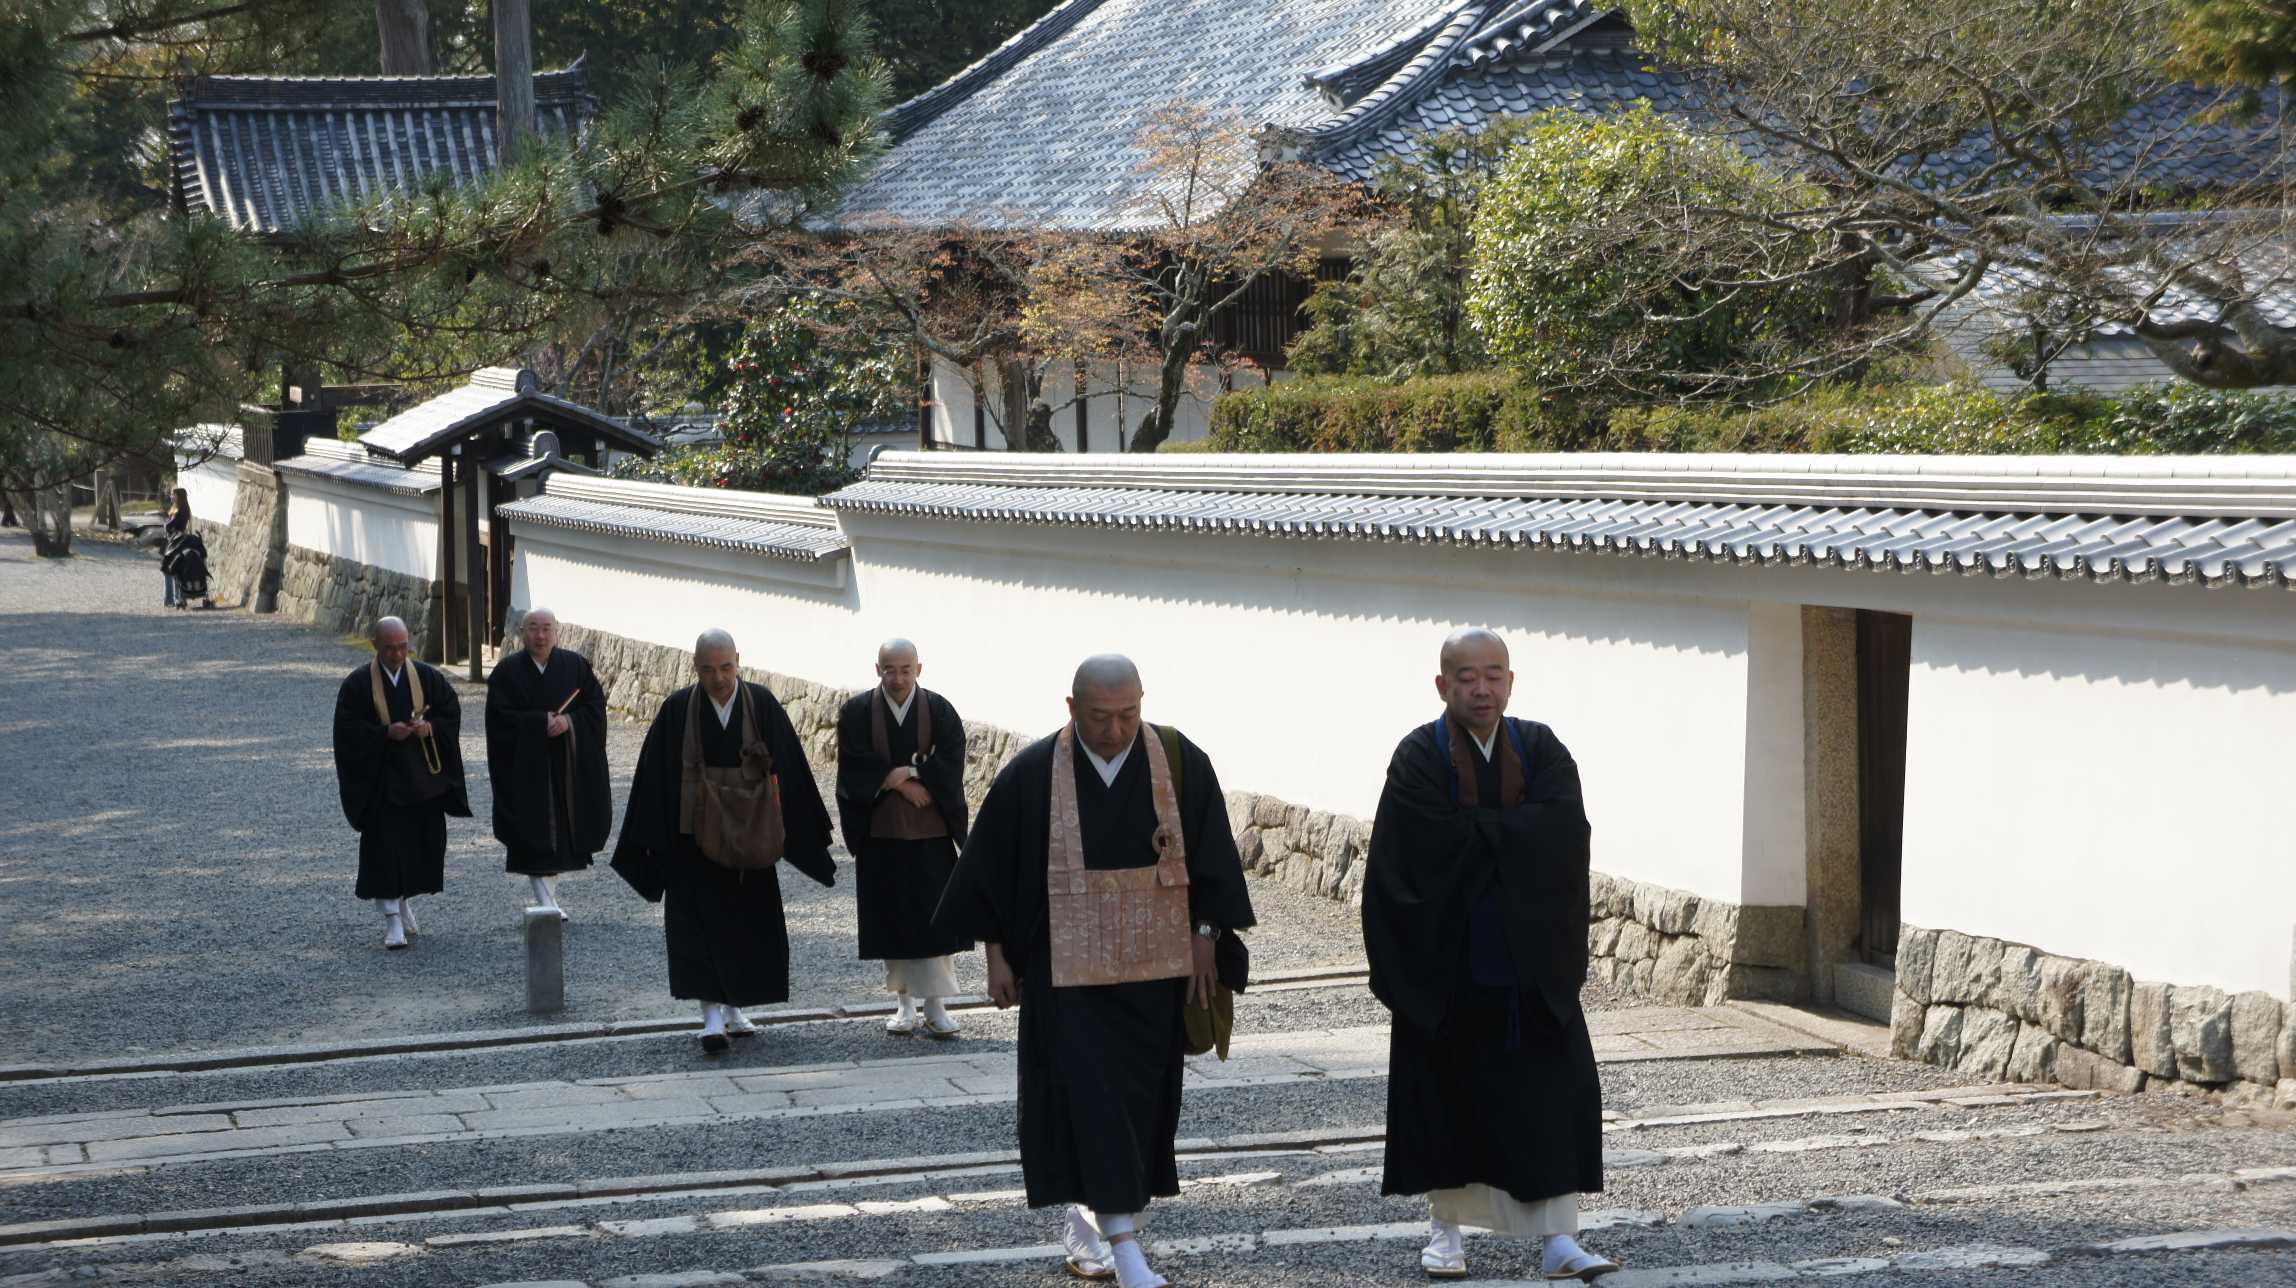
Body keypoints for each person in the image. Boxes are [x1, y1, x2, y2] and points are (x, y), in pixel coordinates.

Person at [934, 655, 1256, 1288]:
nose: (1114, 731)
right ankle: (1127, 1251)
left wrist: (1206, 935)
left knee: (1137, 1110)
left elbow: (1213, 857)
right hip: (1067, 980)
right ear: (1071, 707)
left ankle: (1091, 1227)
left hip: (1154, 978)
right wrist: (997, 955)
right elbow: (990, 867)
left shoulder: (1178, 762)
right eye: (1100, 717)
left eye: (1128, 715)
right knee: (1090, 1104)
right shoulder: (1033, 772)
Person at [1362, 628, 1615, 1282]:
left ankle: (1559, 1240)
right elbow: (1411, 853)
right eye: (1467, 677)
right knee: (1448, 1103)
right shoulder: (1419, 757)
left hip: (1530, 966)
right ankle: (1445, 1235)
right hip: (1447, 966)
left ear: (1511, 680)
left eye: (1494, 674)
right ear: (1442, 685)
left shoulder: (1540, 748)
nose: (1482, 689)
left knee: (1549, 1102)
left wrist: (1481, 835)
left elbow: (1564, 836)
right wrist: (1511, 836)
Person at [611, 629, 836, 1053]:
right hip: (693, 840)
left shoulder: (761, 703)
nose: (718, 679)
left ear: (739, 661)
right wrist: (653, 841)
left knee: (747, 927)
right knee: (698, 931)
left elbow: (791, 770)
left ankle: (735, 1009)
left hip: (750, 836)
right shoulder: (678, 709)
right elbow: (654, 778)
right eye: (709, 670)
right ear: (695, 667)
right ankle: (711, 1018)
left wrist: (802, 834)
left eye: (726, 667)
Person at [835, 639, 972, 1038]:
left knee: (935, 920)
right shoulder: (858, 711)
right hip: (883, 833)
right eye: (890, 669)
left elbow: (951, 760)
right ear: (877, 669)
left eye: (906, 669)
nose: (898, 678)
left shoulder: (939, 710)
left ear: (919, 669)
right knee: (892, 919)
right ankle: (904, 1004)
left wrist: (909, 775)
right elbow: (853, 765)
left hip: (931, 833)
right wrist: (892, 781)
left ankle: (937, 1005)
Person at [331, 616, 471, 949]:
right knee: (385, 853)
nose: (397, 655)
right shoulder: (358, 684)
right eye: (390, 648)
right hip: (382, 784)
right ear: (375, 645)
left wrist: (430, 728)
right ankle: (392, 919)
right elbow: (347, 733)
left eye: (403, 647)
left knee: (420, 847)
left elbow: (450, 710)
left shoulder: (426, 676)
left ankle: (404, 900)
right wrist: (384, 734)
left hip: (421, 781)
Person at [485, 608, 610, 917]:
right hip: (526, 769)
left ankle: (548, 901)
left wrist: (569, 721)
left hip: (566, 764)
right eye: (532, 628)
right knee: (532, 834)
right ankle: (548, 905)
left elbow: (594, 706)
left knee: (561, 838)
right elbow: (498, 720)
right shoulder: (506, 672)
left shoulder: (575, 666)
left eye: (546, 628)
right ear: (521, 632)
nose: (540, 635)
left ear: (557, 632)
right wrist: (538, 722)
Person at [161, 488, 190, 609]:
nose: (171, 496)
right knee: (174, 570)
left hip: (177, 541)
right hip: (173, 540)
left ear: (179, 496)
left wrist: (166, 526)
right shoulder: (176, 507)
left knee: (170, 570)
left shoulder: (182, 509)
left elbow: (172, 524)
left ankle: (172, 599)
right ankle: (176, 598)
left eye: (174, 494)